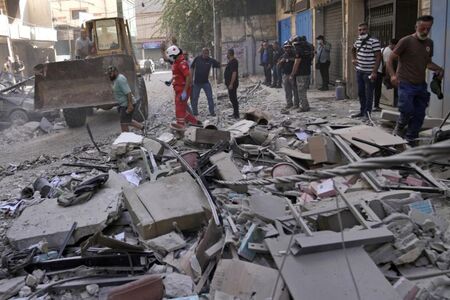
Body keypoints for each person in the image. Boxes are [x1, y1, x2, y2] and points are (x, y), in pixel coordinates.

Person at [387, 15, 444, 143]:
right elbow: (390, 59)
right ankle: (400, 127)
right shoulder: (406, 41)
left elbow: (428, 63)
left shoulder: (429, 43)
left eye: (428, 29)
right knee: (407, 110)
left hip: (420, 85)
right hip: (405, 83)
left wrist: (439, 69)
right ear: (416, 26)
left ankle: (410, 139)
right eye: (423, 28)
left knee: (419, 115)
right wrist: (392, 75)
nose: (425, 31)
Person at [351, 22, 382, 120]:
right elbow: (353, 49)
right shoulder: (358, 40)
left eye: (364, 29)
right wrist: (353, 59)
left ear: (367, 30)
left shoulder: (374, 41)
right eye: (360, 30)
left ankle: (367, 114)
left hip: (369, 72)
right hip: (359, 71)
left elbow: (378, 57)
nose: (361, 31)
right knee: (361, 92)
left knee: (369, 93)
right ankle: (362, 111)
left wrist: (374, 72)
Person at [166, 45, 201, 127]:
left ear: (175, 55)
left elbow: (188, 76)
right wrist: (170, 81)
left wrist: (185, 91)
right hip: (178, 89)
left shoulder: (182, 63)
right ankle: (195, 122)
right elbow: (176, 75)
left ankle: (181, 127)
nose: (170, 58)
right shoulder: (176, 62)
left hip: (182, 89)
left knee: (179, 110)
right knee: (182, 109)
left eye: (170, 56)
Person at [107, 65, 144, 132]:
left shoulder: (120, 79)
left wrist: (130, 105)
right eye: (109, 74)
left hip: (126, 104)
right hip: (123, 104)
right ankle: (142, 127)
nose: (109, 75)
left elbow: (128, 93)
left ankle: (126, 139)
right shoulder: (116, 79)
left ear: (115, 72)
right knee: (128, 121)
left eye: (111, 73)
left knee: (123, 124)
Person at [190, 48, 221, 116]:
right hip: (197, 82)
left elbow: (218, 65)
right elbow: (192, 67)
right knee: (195, 98)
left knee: (210, 97)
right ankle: (195, 112)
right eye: (205, 53)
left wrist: (217, 64)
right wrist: (191, 79)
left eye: (207, 54)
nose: (206, 55)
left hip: (205, 82)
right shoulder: (197, 59)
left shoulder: (210, 60)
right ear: (202, 53)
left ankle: (212, 112)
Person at [373, 38, 399, 111]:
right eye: (396, 45)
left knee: (376, 89)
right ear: (393, 45)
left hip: (377, 70)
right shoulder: (389, 52)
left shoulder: (384, 49)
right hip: (379, 71)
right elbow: (387, 65)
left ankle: (375, 105)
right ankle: (376, 105)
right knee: (377, 89)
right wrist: (389, 76)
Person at [290, 36, 313, 112]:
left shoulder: (299, 50)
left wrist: (292, 74)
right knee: (304, 90)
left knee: (301, 91)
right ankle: (305, 105)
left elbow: (296, 63)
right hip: (307, 72)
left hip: (301, 73)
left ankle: (304, 107)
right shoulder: (309, 48)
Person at [279, 41, 299, 110]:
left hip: (292, 75)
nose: (287, 49)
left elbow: (296, 62)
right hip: (285, 74)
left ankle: (296, 104)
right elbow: (279, 64)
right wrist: (281, 62)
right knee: (287, 91)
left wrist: (288, 59)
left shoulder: (294, 54)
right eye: (286, 48)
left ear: (291, 47)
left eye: (288, 47)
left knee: (295, 90)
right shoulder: (284, 55)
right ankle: (289, 103)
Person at [224, 49, 239, 119]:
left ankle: (236, 114)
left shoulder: (233, 62)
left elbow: (234, 73)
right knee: (232, 98)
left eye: (227, 54)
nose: (226, 55)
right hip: (230, 84)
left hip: (232, 84)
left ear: (229, 54)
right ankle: (235, 113)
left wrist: (231, 84)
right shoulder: (231, 62)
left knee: (233, 98)